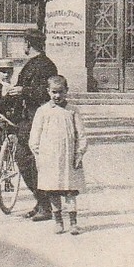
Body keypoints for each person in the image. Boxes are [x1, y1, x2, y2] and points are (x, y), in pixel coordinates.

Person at [29, 74, 87, 235]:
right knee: (53, 190)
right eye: (54, 92)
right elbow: (35, 136)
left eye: (61, 92)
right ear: (48, 91)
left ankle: (73, 222)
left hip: (69, 157)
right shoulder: (43, 111)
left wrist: (79, 153)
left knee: (70, 190)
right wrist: (39, 156)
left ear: (66, 91)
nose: (57, 96)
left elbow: (81, 134)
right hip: (50, 158)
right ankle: (58, 221)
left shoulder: (72, 111)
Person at [9, 32, 58, 221]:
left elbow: (49, 93)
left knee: (30, 161)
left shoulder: (46, 65)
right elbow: (19, 89)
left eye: (25, 42)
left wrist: (24, 90)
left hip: (39, 120)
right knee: (24, 160)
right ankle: (41, 202)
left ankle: (45, 205)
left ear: (28, 43)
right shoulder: (31, 64)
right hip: (27, 119)